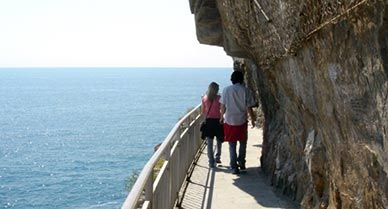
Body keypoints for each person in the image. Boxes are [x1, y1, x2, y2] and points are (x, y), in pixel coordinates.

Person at [220, 68, 256, 174]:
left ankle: (234, 166)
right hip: (242, 120)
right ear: (242, 79)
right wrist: (253, 119)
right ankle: (241, 162)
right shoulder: (246, 90)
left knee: (232, 144)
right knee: (243, 142)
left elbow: (222, 106)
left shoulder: (226, 90)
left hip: (229, 120)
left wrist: (221, 117)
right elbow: (249, 107)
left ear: (232, 79)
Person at [201, 82, 223, 168]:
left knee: (209, 143)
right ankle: (217, 157)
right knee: (219, 140)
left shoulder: (204, 98)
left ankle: (211, 162)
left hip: (209, 122)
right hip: (217, 121)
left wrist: (204, 120)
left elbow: (203, 111)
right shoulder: (219, 98)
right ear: (216, 89)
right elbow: (222, 109)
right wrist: (222, 118)